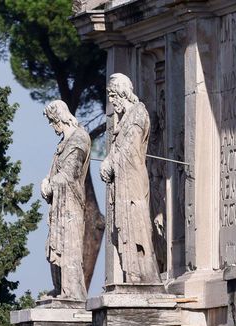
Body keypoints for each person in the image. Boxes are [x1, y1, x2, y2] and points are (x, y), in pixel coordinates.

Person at [100, 73, 161, 283]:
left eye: (113, 95)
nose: (111, 101)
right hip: (123, 183)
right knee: (122, 228)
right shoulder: (125, 119)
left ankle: (143, 274)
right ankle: (131, 274)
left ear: (122, 92)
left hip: (133, 182)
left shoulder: (137, 114)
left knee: (136, 225)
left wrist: (110, 161)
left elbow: (131, 148)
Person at [41, 100, 91, 300]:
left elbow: (70, 174)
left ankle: (71, 291)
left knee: (68, 246)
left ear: (60, 117)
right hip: (58, 204)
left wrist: (50, 185)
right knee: (55, 244)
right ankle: (59, 286)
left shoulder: (79, 139)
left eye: (53, 122)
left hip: (70, 204)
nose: (53, 127)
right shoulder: (63, 142)